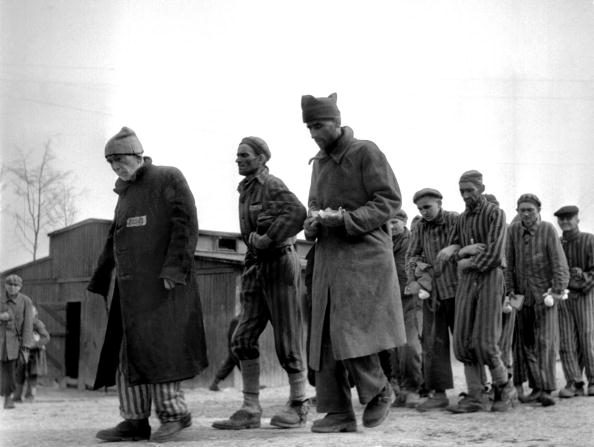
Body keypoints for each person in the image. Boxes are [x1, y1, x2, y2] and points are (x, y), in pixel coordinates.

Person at [88, 127, 208, 442]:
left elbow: (186, 223)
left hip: (163, 288)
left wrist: (173, 270)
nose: (115, 166)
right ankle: (134, 420)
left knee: (161, 352)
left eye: (119, 159)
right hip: (130, 293)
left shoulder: (167, 178)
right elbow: (115, 237)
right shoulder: (124, 194)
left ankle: (174, 415)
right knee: (128, 352)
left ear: (138, 155)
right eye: (110, 161)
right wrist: (101, 278)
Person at [302, 93, 406, 433]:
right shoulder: (318, 162)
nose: (314, 133)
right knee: (324, 335)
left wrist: (347, 220)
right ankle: (337, 412)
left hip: (364, 254)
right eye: (309, 127)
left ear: (336, 121)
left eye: (319, 125)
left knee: (352, 328)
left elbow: (389, 199)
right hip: (328, 256)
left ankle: (380, 390)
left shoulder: (365, 151)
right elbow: (313, 204)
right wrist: (313, 223)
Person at [212, 136, 309, 430]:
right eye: (237, 156)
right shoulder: (245, 190)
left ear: (262, 158)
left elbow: (297, 213)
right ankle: (250, 408)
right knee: (242, 337)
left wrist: (269, 237)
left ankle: (299, 404)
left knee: (286, 339)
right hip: (255, 265)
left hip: (280, 263)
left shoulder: (271, 184)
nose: (238, 160)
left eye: (244, 155)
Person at [438, 170, 516, 413]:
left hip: (490, 278)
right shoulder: (461, 219)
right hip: (467, 282)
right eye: (462, 191)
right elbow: (453, 250)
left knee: (486, 341)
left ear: (481, 189)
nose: (465, 195)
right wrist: (463, 251)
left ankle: (505, 387)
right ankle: (476, 395)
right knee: (462, 340)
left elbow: (494, 255)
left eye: (470, 190)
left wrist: (466, 260)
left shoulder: (495, 214)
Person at [505, 194, 569, 407]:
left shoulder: (548, 230)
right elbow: (510, 265)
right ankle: (533, 387)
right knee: (523, 343)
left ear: (538, 210)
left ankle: (546, 389)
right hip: (520, 296)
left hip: (545, 295)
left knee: (545, 342)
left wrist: (556, 291)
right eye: (521, 210)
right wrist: (510, 293)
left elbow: (559, 262)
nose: (525, 214)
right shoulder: (513, 231)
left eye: (529, 210)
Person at [405, 188, 458, 412]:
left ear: (439, 202)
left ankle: (481, 389)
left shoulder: (456, 220)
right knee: (433, 344)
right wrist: (418, 277)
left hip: (458, 289)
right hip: (432, 293)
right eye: (420, 208)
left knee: (467, 341)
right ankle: (439, 393)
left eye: (428, 206)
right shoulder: (419, 227)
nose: (424, 212)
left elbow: (468, 244)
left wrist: (453, 247)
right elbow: (411, 256)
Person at [554, 205, 594, 398]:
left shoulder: (589, 240)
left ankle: (593, 380)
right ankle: (574, 382)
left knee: (588, 337)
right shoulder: (558, 242)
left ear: (577, 219)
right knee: (566, 340)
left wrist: (582, 278)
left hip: (584, 295)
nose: (565, 221)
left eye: (569, 218)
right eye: (561, 219)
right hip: (563, 296)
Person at [387, 209, 423, 408]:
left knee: (410, 346)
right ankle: (398, 389)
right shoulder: (383, 243)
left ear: (404, 222)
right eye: (388, 223)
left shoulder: (413, 241)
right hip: (389, 302)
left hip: (411, 300)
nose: (392, 227)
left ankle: (413, 388)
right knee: (391, 349)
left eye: (395, 222)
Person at [1, 274, 34, 410]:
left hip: (15, 343)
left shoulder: (26, 301)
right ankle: (6, 397)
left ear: (20, 287)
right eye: (10, 284)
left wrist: (26, 346)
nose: (12, 288)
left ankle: (9, 396)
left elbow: (28, 325)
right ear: (5, 286)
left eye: (16, 285)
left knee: (12, 372)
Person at [14, 306, 50, 402]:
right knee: (19, 373)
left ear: (34, 314)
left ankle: (30, 396)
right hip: (22, 352)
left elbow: (46, 337)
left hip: (35, 353)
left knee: (32, 374)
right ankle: (17, 396)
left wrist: (35, 344)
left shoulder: (38, 324)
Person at [209, 315, 240, 392]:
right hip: (236, 348)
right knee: (243, 364)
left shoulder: (238, 320)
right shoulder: (237, 321)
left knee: (228, 366)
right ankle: (253, 384)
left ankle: (214, 384)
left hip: (236, 348)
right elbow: (232, 337)